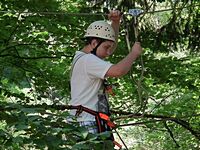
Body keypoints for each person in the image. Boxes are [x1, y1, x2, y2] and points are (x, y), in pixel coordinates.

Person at [69, 10, 142, 137]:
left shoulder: (82, 57)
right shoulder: (88, 60)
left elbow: (108, 44)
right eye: (106, 48)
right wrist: (134, 54)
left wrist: (115, 23)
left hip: (86, 120)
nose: (109, 52)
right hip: (87, 122)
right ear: (94, 43)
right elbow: (118, 71)